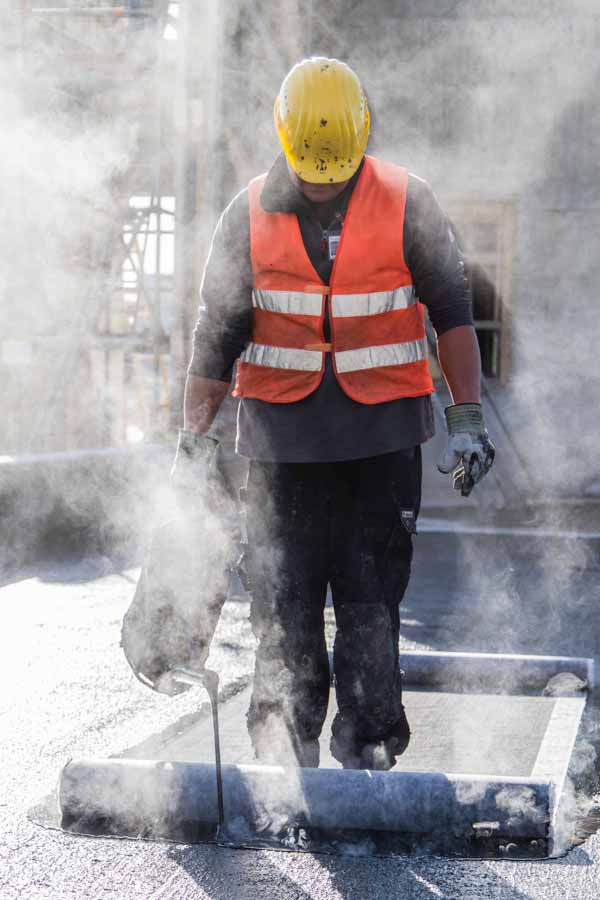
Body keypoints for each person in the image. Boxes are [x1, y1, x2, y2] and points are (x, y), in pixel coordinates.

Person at [174, 57, 495, 770]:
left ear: (361, 136)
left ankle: (370, 750)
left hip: (380, 444)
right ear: (286, 137)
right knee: (283, 607)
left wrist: (466, 413)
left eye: (337, 168)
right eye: (312, 168)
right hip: (282, 449)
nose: (323, 180)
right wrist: (193, 436)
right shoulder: (249, 211)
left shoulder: (409, 201)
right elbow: (216, 331)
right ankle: (282, 758)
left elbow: (452, 312)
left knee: (371, 602)